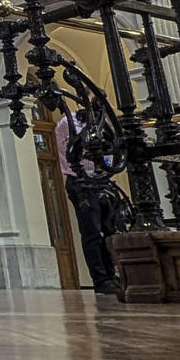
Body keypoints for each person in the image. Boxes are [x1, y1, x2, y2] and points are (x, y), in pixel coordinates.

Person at [56, 110, 122, 297]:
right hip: (81, 182)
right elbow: (74, 151)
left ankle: (113, 275)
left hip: (102, 178)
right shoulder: (67, 123)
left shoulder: (103, 123)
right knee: (92, 231)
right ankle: (101, 279)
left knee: (110, 229)